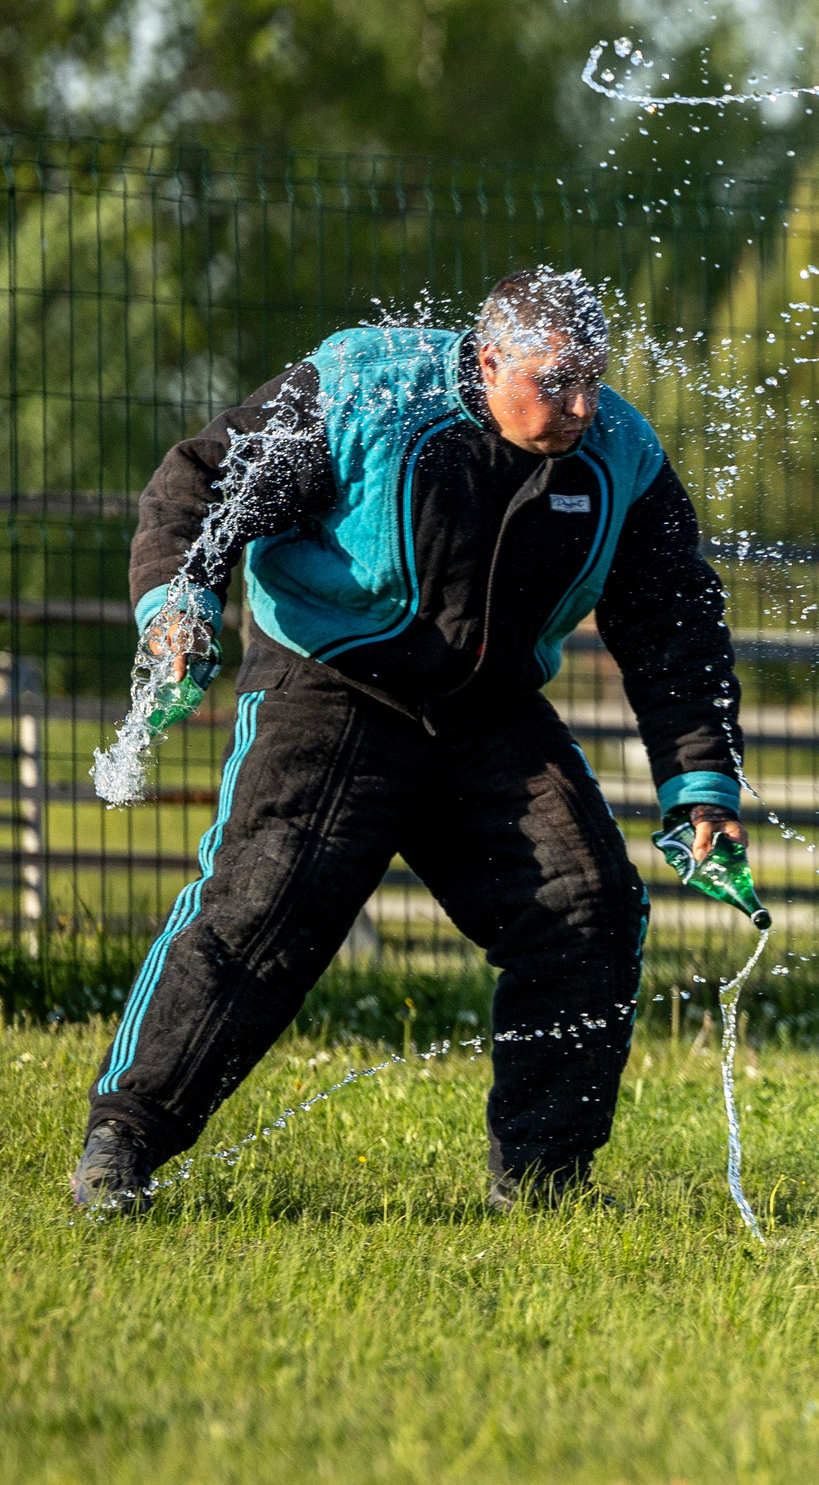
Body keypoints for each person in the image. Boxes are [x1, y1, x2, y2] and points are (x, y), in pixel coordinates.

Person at [72, 268, 746, 1215]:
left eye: (594, 379)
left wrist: (702, 783)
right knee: (261, 912)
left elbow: (674, 623)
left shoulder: (622, 455)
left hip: (488, 715)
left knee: (589, 907)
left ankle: (544, 1187)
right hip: (330, 684)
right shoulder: (367, 391)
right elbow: (205, 482)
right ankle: (123, 1143)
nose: (582, 407)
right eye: (556, 381)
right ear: (489, 360)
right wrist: (180, 603)